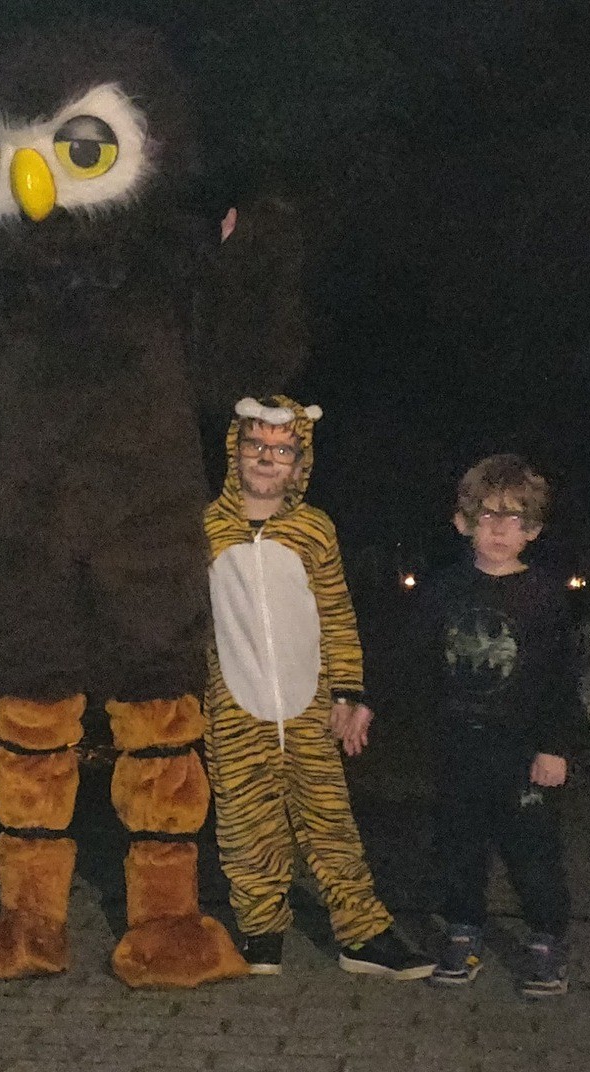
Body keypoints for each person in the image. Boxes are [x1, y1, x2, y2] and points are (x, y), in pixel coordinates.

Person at [203, 395, 434, 979]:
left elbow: (336, 612)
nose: (267, 459)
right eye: (256, 446)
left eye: (282, 451)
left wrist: (348, 692)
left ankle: (362, 934)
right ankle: (261, 931)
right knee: (244, 823)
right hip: (234, 707)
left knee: (330, 822)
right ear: (236, 450)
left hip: (308, 706)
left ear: (299, 463)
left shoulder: (314, 529)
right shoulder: (205, 527)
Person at [420, 454, 577, 997]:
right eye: (488, 516)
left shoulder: (547, 597)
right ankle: (463, 930)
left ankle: (546, 938)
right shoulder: (441, 590)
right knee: (459, 846)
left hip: (524, 753)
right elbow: (413, 660)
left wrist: (555, 748)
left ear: (531, 529)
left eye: (514, 519)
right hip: (460, 746)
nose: (500, 529)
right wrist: (367, 702)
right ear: (464, 521)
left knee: (532, 850)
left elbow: (562, 681)